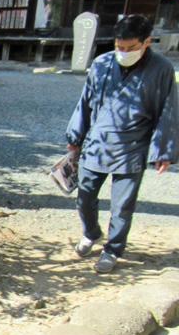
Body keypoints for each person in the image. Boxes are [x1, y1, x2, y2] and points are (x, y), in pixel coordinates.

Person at [66, 14, 178, 273]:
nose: (124, 52)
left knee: (122, 207)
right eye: (120, 47)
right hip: (97, 142)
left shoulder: (161, 69)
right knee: (84, 196)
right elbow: (85, 102)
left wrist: (164, 150)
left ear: (147, 41)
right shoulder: (102, 63)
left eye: (131, 47)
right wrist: (76, 136)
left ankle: (113, 249)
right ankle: (91, 233)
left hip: (132, 146)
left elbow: (168, 110)